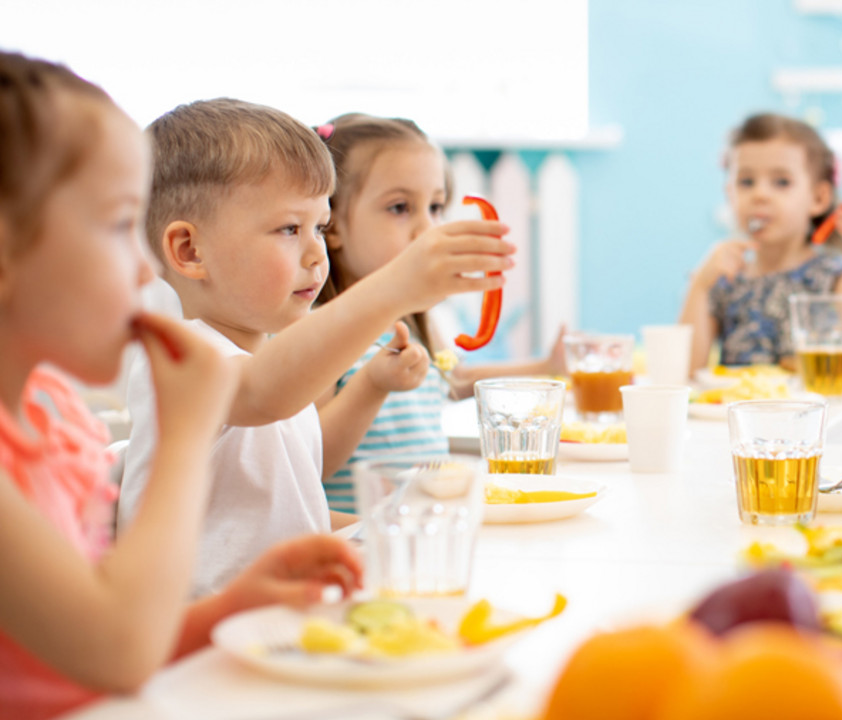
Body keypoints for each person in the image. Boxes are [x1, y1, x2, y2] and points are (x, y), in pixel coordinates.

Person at [0, 52, 363, 720]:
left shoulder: (58, 420)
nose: (144, 273)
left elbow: (103, 641)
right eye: (116, 227)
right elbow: (115, 651)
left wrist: (230, 609)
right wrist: (185, 438)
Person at [117, 99, 515, 596]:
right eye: (289, 229)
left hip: (278, 618)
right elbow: (260, 394)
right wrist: (395, 285)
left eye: (319, 227)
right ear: (190, 251)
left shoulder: (270, 366)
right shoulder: (178, 360)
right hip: (198, 640)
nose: (315, 252)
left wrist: (388, 525)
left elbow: (287, 511)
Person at [313, 113, 565, 512]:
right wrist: (372, 386)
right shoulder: (316, 330)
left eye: (435, 207)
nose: (428, 229)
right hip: (362, 543)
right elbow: (309, 463)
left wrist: (546, 365)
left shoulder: (415, 319)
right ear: (331, 223)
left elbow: (455, 377)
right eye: (399, 207)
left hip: (431, 531)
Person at [679, 112, 842, 370]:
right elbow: (686, 369)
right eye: (746, 182)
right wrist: (700, 284)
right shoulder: (726, 279)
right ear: (730, 194)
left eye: (781, 182)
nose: (760, 194)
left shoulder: (831, 273)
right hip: (738, 410)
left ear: (818, 198)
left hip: (816, 409)